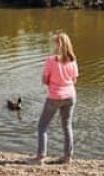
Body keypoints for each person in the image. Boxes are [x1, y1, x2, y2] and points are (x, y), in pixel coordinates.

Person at [32, 32, 79, 164]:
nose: (53, 45)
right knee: (67, 126)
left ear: (58, 44)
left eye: (55, 43)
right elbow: (74, 80)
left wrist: (52, 84)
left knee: (42, 126)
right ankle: (67, 156)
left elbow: (44, 80)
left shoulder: (51, 60)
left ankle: (40, 156)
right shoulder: (72, 61)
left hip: (54, 96)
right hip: (70, 96)